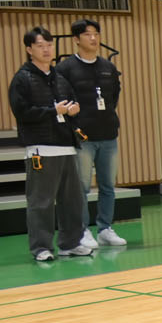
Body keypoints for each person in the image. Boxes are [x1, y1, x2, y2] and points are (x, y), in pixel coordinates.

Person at [10, 26, 93, 262]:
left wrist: (74, 110)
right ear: (29, 49)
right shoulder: (22, 79)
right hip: (41, 148)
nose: (46, 50)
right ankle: (41, 248)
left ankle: (70, 243)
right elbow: (22, 112)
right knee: (41, 202)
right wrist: (52, 111)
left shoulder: (60, 78)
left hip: (66, 146)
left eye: (49, 45)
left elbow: (72, 106)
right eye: (40, 46)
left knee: (72, 201)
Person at [56, 19, 126, 248]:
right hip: (82, 137)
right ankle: (82, 230)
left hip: (108, 134)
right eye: (87, 34)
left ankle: (105, 228)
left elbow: (114, 96)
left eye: (96, 33)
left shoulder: (108, 67)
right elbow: (61, 98)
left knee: (107, 185)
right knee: (82, 187)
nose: (93, 38)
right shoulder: (65, 69)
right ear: (76, 39)